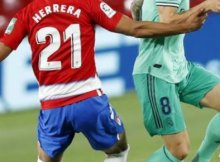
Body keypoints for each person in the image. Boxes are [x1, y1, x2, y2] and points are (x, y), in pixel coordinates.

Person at [0, 0, 206, 162]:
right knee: (118, 151)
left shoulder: (26, 14)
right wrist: (184, 26)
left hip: (52, 107)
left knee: (45, 159)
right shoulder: (87, 3)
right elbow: (136, 28)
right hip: (89, 101)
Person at [130, 0, 220, 161]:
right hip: (156, 73)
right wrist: (204, 6)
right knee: (179, 150)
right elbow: (167, 20)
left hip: (180, 68)